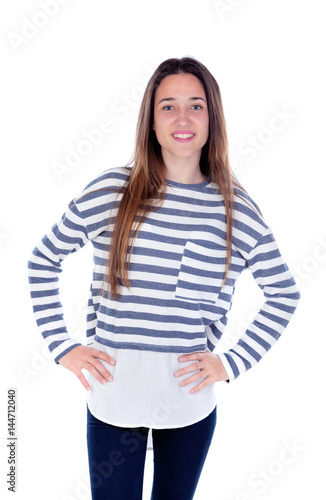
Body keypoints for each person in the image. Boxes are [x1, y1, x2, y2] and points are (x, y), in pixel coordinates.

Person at [27, 56, 300, 500]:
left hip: (188, 405)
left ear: (213, 118)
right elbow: (43, 260)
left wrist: (230, 364)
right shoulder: (113, 192)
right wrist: (64, 347)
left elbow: (284, 292)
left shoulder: (235, 210)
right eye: (168, 106)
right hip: (113, 400)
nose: (183, 118)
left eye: (196, 105)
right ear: (151, 122)